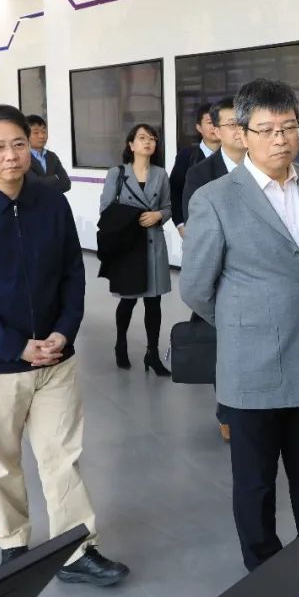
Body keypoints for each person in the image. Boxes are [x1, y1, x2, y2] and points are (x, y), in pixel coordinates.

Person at [0, 104, 128, 586]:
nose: (11, 155)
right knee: (2, 461)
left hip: (56, 360)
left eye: (19, 144)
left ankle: (75, 550)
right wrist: (16, 346)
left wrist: (65, 331)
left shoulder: (51, 203)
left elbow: (72, 274)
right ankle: (13, 542)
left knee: (62, 456)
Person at [181, 78, 299, 571]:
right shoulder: (215, 198)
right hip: (253, 366)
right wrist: (247, 325)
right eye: (266, 129)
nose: (280, 139)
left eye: (289, 127)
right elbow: (196, 288)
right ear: (242, 134)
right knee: (256, 481)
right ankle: (264, 571)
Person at [181, 97, 244, 443]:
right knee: (224, 350)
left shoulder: (265, 167)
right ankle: (227, 412)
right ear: (216, 130)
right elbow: (197, 230)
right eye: (231, 124)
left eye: (244, 122)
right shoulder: (201, 174)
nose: (239, 130)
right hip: (220, 279)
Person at [99, 123, 172, 376]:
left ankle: (152, 354)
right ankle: (121, 343)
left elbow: (168, 207)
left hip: (153, 244)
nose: (148, 142)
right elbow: (106, 209)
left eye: (152, 138)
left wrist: (158, 215)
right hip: (129, 245)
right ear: (131, 145)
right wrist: (133, 217)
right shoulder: (117, 173)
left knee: (154, 303)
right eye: (142, 138)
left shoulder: (160, 174)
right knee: (128, 301)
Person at [170, 102, 217, 236]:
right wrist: (180, 224)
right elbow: (175, 191)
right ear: (199, 127)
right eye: (210, 122)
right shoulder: (187, 156)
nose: (214, 126)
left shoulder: (234, 156)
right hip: (196, 227)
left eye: (218, 122)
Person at [25, 114, 72, 192]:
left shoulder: (52, 156)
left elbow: (66, 184)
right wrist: (55, 178)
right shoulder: (23, 158)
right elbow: (33, 185)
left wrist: (44, 181)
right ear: (25, 135)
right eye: (36, 132)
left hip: (54, 200)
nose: (41, 136)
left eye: (44, 131)